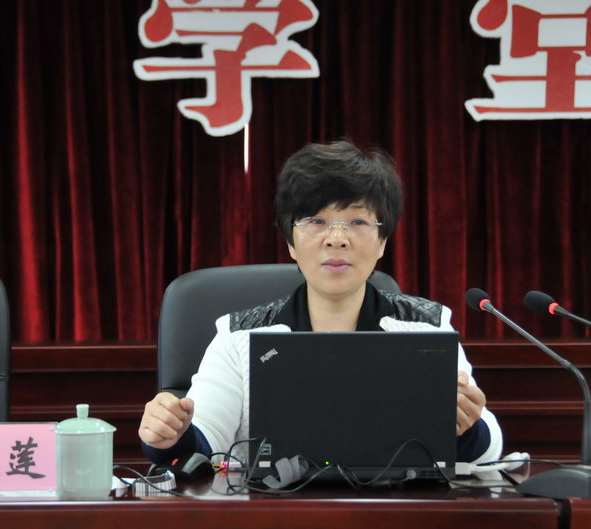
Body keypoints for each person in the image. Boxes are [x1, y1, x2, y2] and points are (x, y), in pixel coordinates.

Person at [139, 140, 503, 468]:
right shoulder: (240, 335)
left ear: (382, 242)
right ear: (291, 243)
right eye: (317, 221)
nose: (337, 239)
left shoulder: (425, 326)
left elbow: (490, 449)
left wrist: (467, 428)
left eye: (357, 221)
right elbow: (203, 441)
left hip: (396, 512)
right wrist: (171, 433)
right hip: (274, 515)